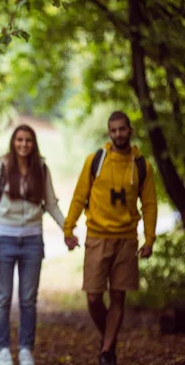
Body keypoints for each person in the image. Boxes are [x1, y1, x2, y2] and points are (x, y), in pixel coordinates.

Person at [63, 111, 157, 365]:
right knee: (93, 296)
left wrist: (149, 240)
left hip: (127, 240)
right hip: (97, 237)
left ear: (130, 130)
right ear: (109, 132)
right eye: (114, 130)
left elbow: (149, 205)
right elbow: (79, 196)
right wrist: (68, 229)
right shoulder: (95, 161)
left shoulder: (142, 166)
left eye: (122, 129)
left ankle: (106, 352)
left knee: (118, 296)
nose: (118, 134)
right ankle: (109, 338)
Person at [0, 124, 67, 365]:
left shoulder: (41, 168)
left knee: (29, 299)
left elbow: (50, 204)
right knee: (3, 298)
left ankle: (26, 349)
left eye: (28, 140)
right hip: (3, 238)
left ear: (34, 143)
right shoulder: (0, 167)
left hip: (32, 240)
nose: (23, 144)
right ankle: (2, 350)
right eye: (19, 139)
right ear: (13, 142)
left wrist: (67, 229)